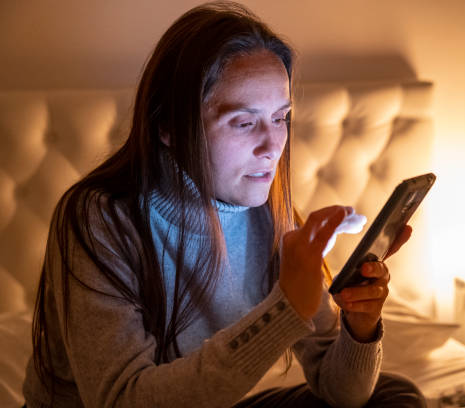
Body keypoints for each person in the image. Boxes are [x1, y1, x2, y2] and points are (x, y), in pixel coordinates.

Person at [22, 2, 426, 407]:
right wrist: (284, 310)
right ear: (169, 128)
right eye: (244, 122)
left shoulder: (270, 211)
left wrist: (360, 327)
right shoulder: (99, 217)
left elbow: (343, 394)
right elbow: (122, 400)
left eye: (281, 118)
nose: (272, 148)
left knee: (395, 396)